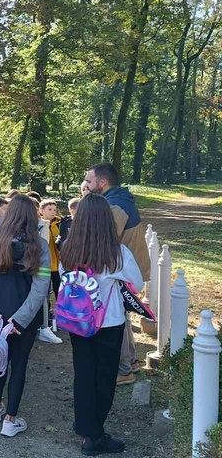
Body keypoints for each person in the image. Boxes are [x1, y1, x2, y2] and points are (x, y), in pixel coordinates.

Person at [59, 193, 143, 455]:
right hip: (108, 320)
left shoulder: (68, 248)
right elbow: (138, 284)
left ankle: (84, 424)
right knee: (105, 378)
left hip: (77, 319)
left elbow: (64, 278)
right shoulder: (117, 253)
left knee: (83, 373)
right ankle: (94, 436)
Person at [0, 194, 50, 437]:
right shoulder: (39, 246)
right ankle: (10, 419)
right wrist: (21, 319)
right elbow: (41, 287)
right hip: (24, 318)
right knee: (19, 364)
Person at [84, 163, 150, 385]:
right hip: (125, 268)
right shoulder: (119, 199)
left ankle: (123, 370)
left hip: (121, 272)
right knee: (123, 316)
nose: (86, 185)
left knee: (116, 318)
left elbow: (104, 239)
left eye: (89, 181)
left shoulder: (114, 206)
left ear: (102, 182)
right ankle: (129, 361)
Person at [37, 198, 63, 345]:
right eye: (49, 209)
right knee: (44, 295)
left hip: (58, 266)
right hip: (46, 266)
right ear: (41, 211)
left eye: (54, 209)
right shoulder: (39, 225)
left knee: (60, 292)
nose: (53, 212)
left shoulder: (59, 224)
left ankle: (61, 318)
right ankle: (44, 321)